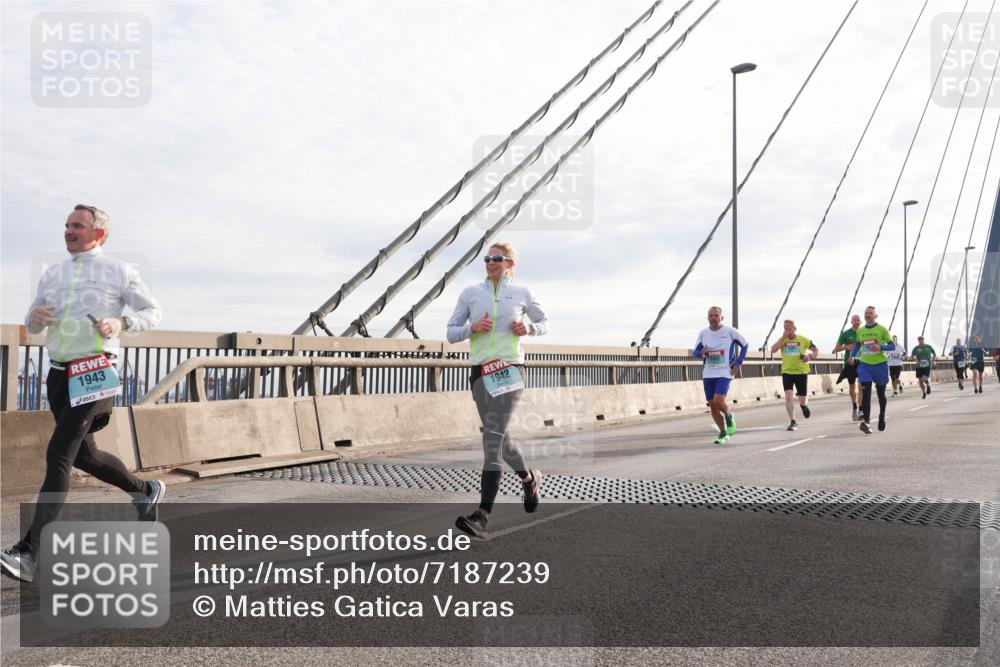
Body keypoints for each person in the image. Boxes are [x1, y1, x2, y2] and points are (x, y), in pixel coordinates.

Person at [1, 205, 164, 583]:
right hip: (57, 373)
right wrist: (34, 318)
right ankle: (145, 490)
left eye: (77, 226)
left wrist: (120, 321)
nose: (68, 231)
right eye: (67, 225)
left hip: (94, 372)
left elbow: (153, 311)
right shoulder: (54, 273)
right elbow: (31, 320)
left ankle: (29, 552)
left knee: (59, 452)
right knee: (85, 454)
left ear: (98, 234)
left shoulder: (119, 271)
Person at [446, 242, 547, 539]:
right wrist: (472, 328)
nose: (491, 262)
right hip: (480, 372)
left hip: (511, 369)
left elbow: (544, 322)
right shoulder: (470, 293)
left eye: (498, 258)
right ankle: (529, 479)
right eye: (488, 258)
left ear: (511, 264)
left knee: (492, 437)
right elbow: (451, 332)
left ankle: (482, 515)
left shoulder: (523, 293)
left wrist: (530, 329)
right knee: (501, 440)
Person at [694, 306, 748, 444]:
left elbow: (745, 345)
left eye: (716, 315)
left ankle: (729, 416)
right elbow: (696, 352)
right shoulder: (703, 333)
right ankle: (723, 433)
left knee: (718, 400)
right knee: (712, 405)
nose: (713, 318)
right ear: (708, 318)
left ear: (721, 317)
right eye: (711, 315)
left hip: (725, 371)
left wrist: (738, 363)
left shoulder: (730, 331)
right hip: (708, 372)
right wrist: (702, 353)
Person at [850, 305, 895, 434]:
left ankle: (882, 416)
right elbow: (858, 343)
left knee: (881, 394)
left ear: (875, 316)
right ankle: (867, 422)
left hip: (880, 365)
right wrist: (853, 355)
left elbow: (892, 346)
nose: (868, 315)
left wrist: (881, 348)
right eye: (866, 313)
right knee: (866, 394)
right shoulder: (860, 331)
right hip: (865, 365)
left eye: (870, 313)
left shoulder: (882, 329)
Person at [769, 319, 818, 431]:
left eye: (789, 328)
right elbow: (773, 349)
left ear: (794, 329)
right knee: (788, 396)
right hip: (787, 372)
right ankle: (793, 421)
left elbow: (816, 350)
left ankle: (803, 406)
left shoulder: (803, 339)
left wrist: (809, 357)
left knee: (802, 398)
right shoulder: (782, 340)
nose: (787, 330)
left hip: (801, 372)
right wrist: (782, 337)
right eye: (785, 328)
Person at [833, 314, 863, 421]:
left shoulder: (864, 332)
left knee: (862, 385)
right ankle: (854, 406)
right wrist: (847, 347)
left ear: (861, 322)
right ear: (851, 322)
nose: (856, 322)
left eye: (858, 320)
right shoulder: (846, 334)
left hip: (862, 361)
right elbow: (836, 348)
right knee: (852, 387)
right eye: (854, 320)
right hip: (850, 363)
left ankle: (861, 409)